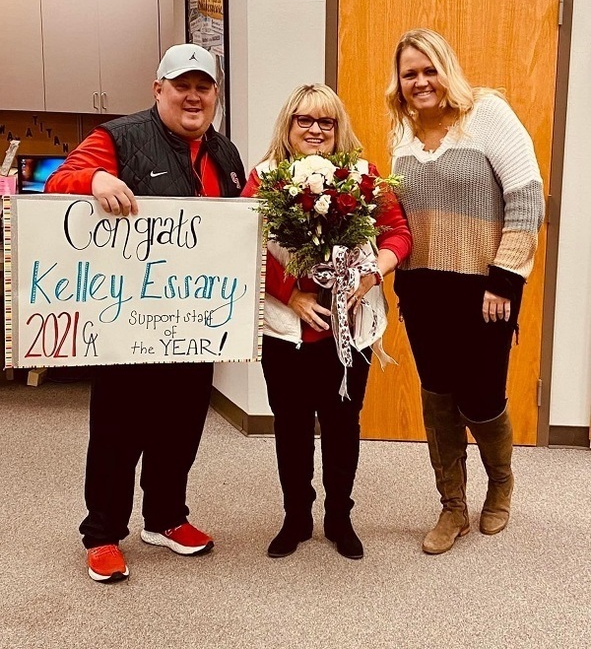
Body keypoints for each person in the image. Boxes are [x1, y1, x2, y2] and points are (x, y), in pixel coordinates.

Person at [45, 43, 246, 582]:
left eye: (204, 87)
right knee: (117, 432)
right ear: (159, 89)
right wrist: (95, 180)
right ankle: (103, 533)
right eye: (182, 86)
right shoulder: (119, 137)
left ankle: (165, 517)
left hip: (193, 325)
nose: (193, 96)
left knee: (181, 428)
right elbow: (58, 181)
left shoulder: (225, 154)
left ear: (215, 95)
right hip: (128, 326)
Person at [386, 28, 545, 554]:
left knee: (481, 397)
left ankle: (500, 484)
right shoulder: (402, 131)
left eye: (429, 69)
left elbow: (527, 197)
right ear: (399, 82)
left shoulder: (487, 114)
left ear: (447, 69)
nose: (420, 81)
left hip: (486, 288)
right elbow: (400, 216)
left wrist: (505, 278)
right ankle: (452, 506)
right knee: (438, 395)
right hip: (422, 289)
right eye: (410, 73)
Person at [242, 84, 412, 560]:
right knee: (291, 425)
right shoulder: (264, 178)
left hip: (349, 330)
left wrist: (372, 273)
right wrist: (290, 294)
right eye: (305, 120)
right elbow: (243, 245)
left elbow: (398, 234)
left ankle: (339, 516)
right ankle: (296, 516)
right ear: (289, 125)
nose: (315, 130)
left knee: (342, 425)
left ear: (339, 129)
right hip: (286, 330)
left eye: (326, 122)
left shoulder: (363, 176)